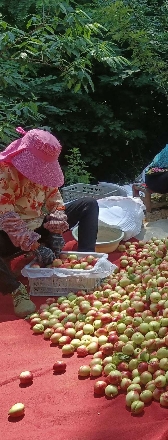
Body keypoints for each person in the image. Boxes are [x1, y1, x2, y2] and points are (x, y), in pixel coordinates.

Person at [0, 127, 99, 318]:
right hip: (7, 235)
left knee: (88, 204)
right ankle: (14, 289)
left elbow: (56, 203)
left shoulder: (45, 174)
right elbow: (8, 219)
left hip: (37, 226)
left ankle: (87, 261)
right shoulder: (5, 173)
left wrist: (56, 229)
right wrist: (35, 246)